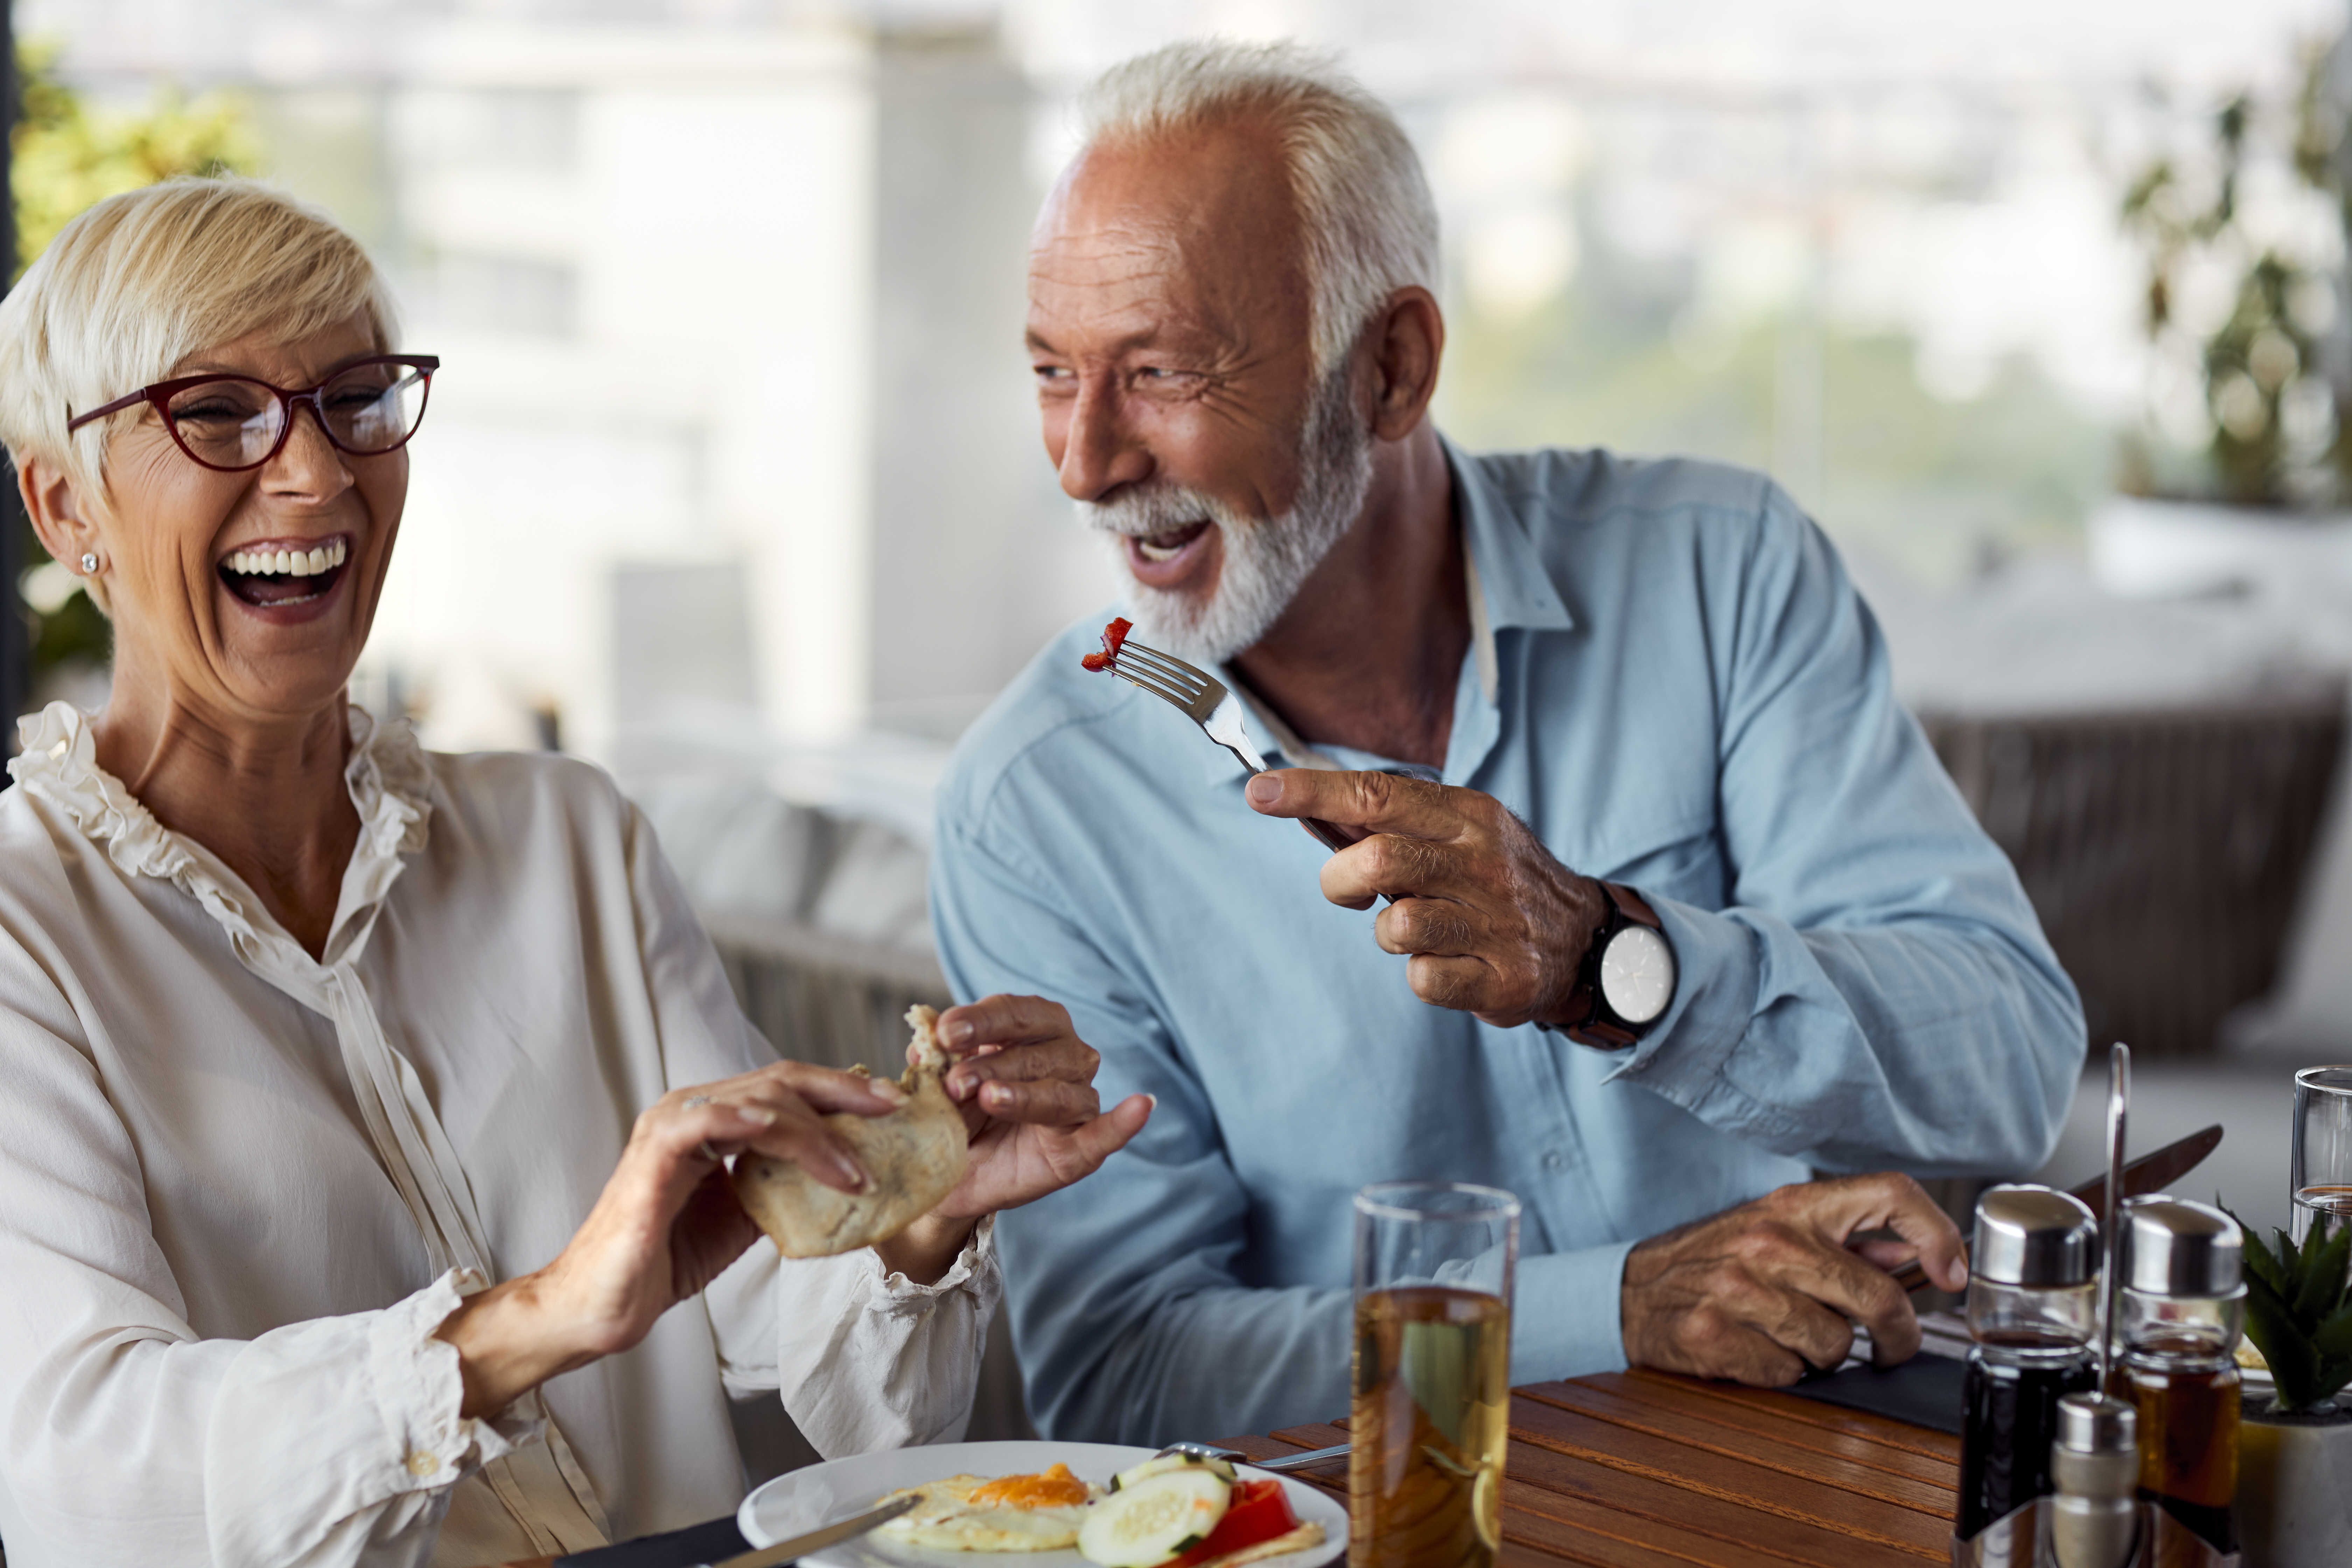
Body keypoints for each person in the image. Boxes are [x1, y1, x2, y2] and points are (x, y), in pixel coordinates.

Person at [929, 40, 2086, 1446]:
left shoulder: (1720, 571)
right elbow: (1127, 1377)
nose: (1085, 461)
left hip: (1820, 1479)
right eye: (1055, 373)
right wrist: (1624, 1306)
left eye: (1161, 372)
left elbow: (2017, 1061)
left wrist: (1615, 959)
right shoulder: (1035, 810)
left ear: (1392, 368)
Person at [0, 178, 1152, 1568]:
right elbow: (80, 1480)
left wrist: (917, 1201)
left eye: (356, 398)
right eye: (220, 413)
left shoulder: (572, 839)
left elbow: (822, 1348)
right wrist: (541, 1316)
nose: (313, 476)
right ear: (66, 504)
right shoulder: (28, 933)